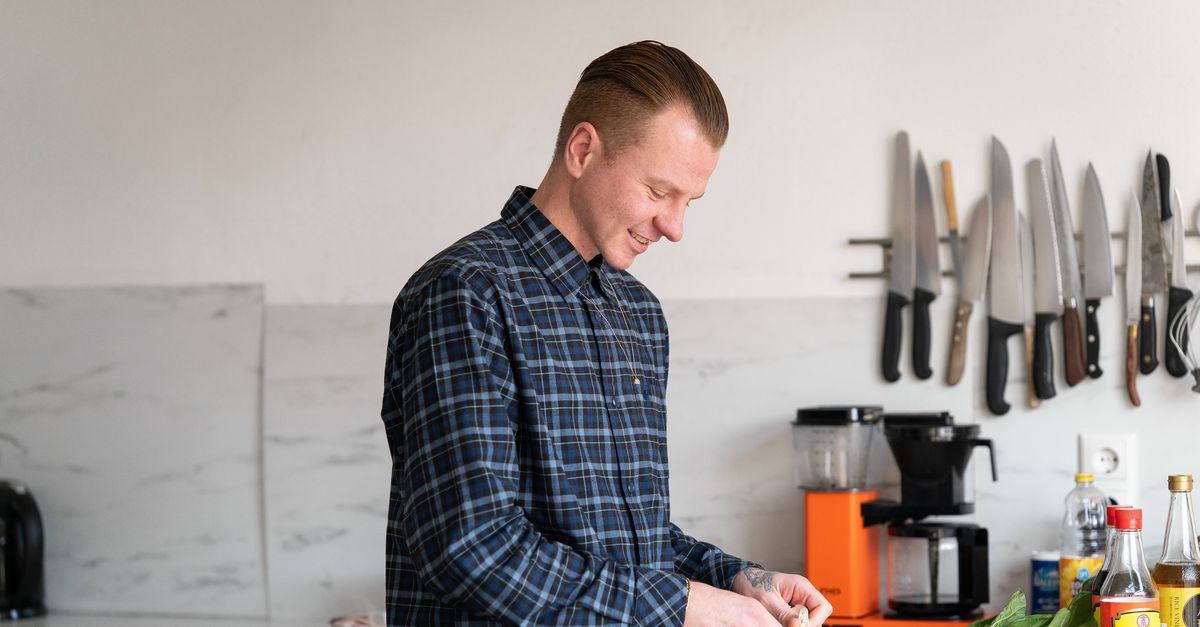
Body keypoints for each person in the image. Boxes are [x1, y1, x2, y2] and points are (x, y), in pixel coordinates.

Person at [381, 40, 832, 626]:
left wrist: (736, 579)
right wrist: (689, 607)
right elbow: (474, 550)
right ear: (582, 149)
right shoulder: (464, 293)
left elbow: (631, 539)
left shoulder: (637, 313)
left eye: (689, 201)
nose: (674, 227)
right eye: (658, 191)